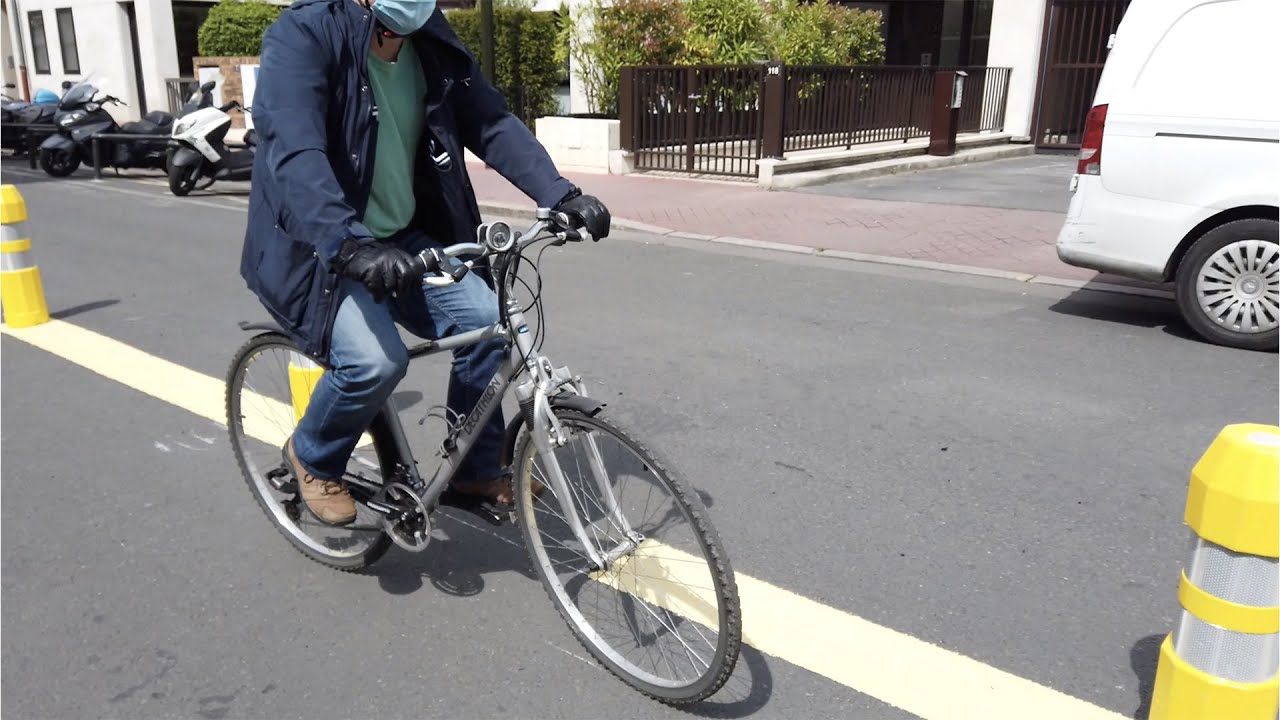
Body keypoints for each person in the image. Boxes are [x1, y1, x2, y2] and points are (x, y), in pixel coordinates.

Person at [240, 0, 611, 526]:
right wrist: (350, 245)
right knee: (375, 362)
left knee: (492, 325)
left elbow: (490, 121)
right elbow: (298, 152)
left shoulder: (429, 39)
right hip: (321, 248)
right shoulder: (303, 36)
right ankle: (314, 455)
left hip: (401, 237)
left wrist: (559, 193)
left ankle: (474, 469)